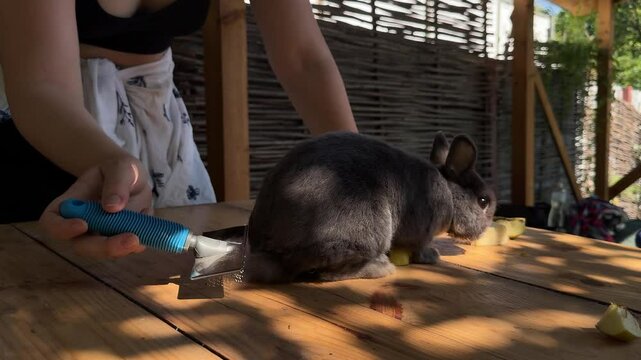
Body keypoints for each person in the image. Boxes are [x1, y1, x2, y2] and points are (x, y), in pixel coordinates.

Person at [0, 0, 357, 258]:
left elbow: (304, 59)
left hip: (163, 131)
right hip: (53, 133)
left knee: (191, 285)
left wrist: (363, 173)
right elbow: (41, 86)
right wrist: (112, 162)